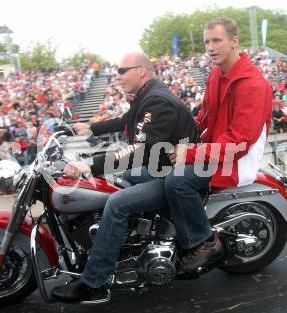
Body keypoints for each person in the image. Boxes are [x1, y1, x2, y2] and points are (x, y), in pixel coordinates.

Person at [51, 51, 199, 303]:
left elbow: (142, 149)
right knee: (121, 180)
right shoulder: (145, 96)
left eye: (121, 71)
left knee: (116, 203)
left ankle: (93, 281)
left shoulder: (156, 101)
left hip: (174, 174)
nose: (117, 77)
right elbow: (126, 120)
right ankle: (127, 243)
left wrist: (90, 165)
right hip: (160, 168)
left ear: (141, 70)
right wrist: (89, 128)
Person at [165, 18, 273, 271]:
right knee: (159, 164)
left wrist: (190, 153)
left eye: (217, 40)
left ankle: (205, 242)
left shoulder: (253, 84)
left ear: (234, 41)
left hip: (236, 160)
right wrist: (179, 140)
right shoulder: (216, 74)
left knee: (177, 181)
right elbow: (204, 118)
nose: (210, 47)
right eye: (207, 42)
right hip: (216, 151)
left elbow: (239, 143)